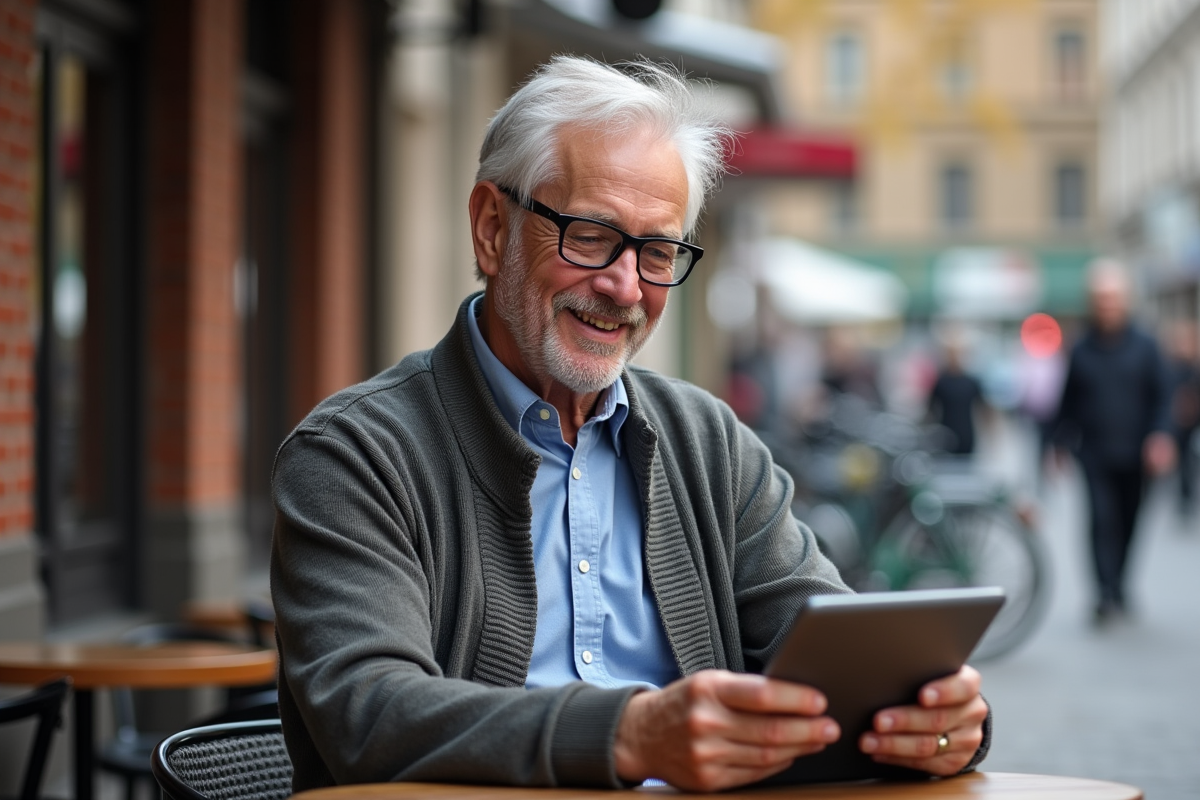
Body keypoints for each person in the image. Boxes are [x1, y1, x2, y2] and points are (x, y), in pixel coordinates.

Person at [270, 56, 990, 793]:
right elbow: (366, 714)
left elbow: (837, 652)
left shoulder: (709, 442)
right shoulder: (355, 454)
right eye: (590, 235)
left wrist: (934, 714)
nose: (625, 287)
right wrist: (629, 735)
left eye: (657, 252)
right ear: (492, 230)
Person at [1050, 259, 1176, 624]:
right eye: (1100, 298)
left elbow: (1164, 397)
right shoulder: (1082, 347)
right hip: (1093, 452)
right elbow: (1068, 400)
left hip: (1138, 453)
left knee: (1129, 520)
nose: (1107, 304)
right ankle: (1104, 593)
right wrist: (1055, 443)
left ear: (1125, 299)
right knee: (1101, 520)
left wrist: (1162, 436)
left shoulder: (1147, 346)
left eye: (1113, 297)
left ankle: (1120, 584)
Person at [926, 338, 987, 456]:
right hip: (945, 434)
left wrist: (990, 434)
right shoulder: (941, 382)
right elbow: (931, 409)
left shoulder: (971, 382)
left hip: (966, 433)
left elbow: (983, 409)